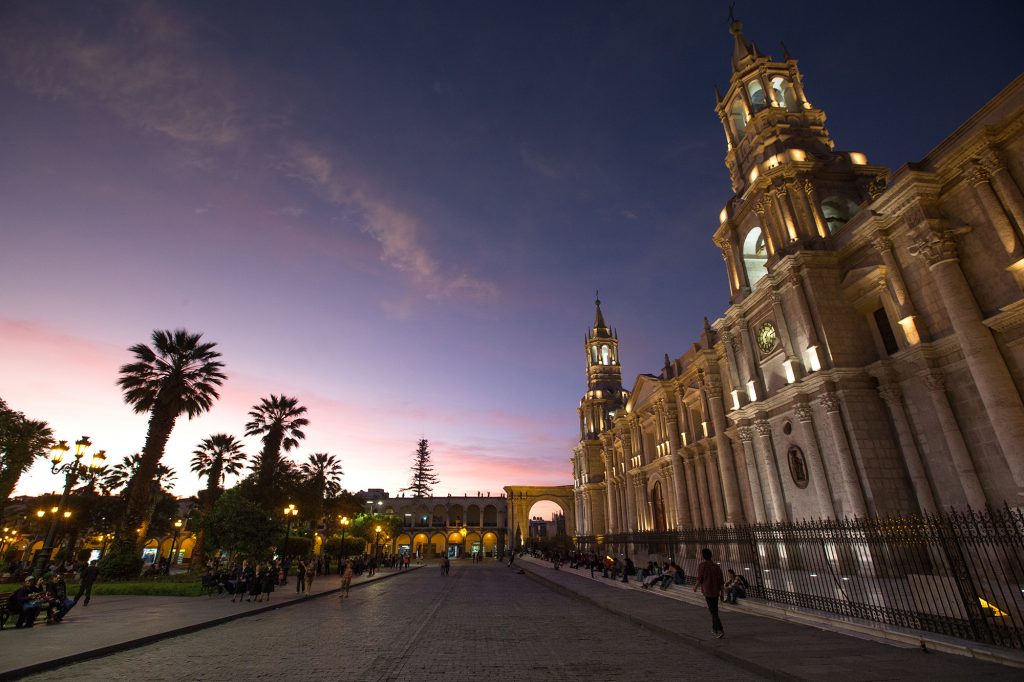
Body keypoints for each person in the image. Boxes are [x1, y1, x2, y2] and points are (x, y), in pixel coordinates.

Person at [694, 547, 725, 638]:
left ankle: (719, 630)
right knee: (714, 610)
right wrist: (722, 594)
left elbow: (700, 578)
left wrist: (695, 587)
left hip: (708, 591)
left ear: (703, 556)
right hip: (716, 591)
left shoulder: (702, 565)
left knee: (713, 611)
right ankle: (714, 629)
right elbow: (721, 581)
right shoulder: (716, 566)